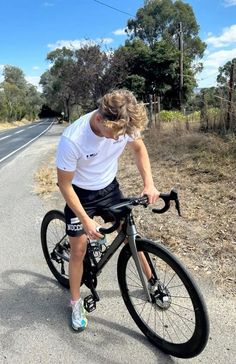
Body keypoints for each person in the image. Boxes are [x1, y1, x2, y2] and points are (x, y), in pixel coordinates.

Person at [56, 89, 159, 331]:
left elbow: (139, 149)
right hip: (80, 193)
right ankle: (75, 303)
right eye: (113, 136)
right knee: (79, 250)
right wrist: (86, 220)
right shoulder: (73, 139)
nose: (116, 141)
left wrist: (149, 183)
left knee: (130, 234)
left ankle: (153, 283)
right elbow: (64, 184)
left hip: (109, 187)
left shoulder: (123, 125)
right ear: (100, 119)